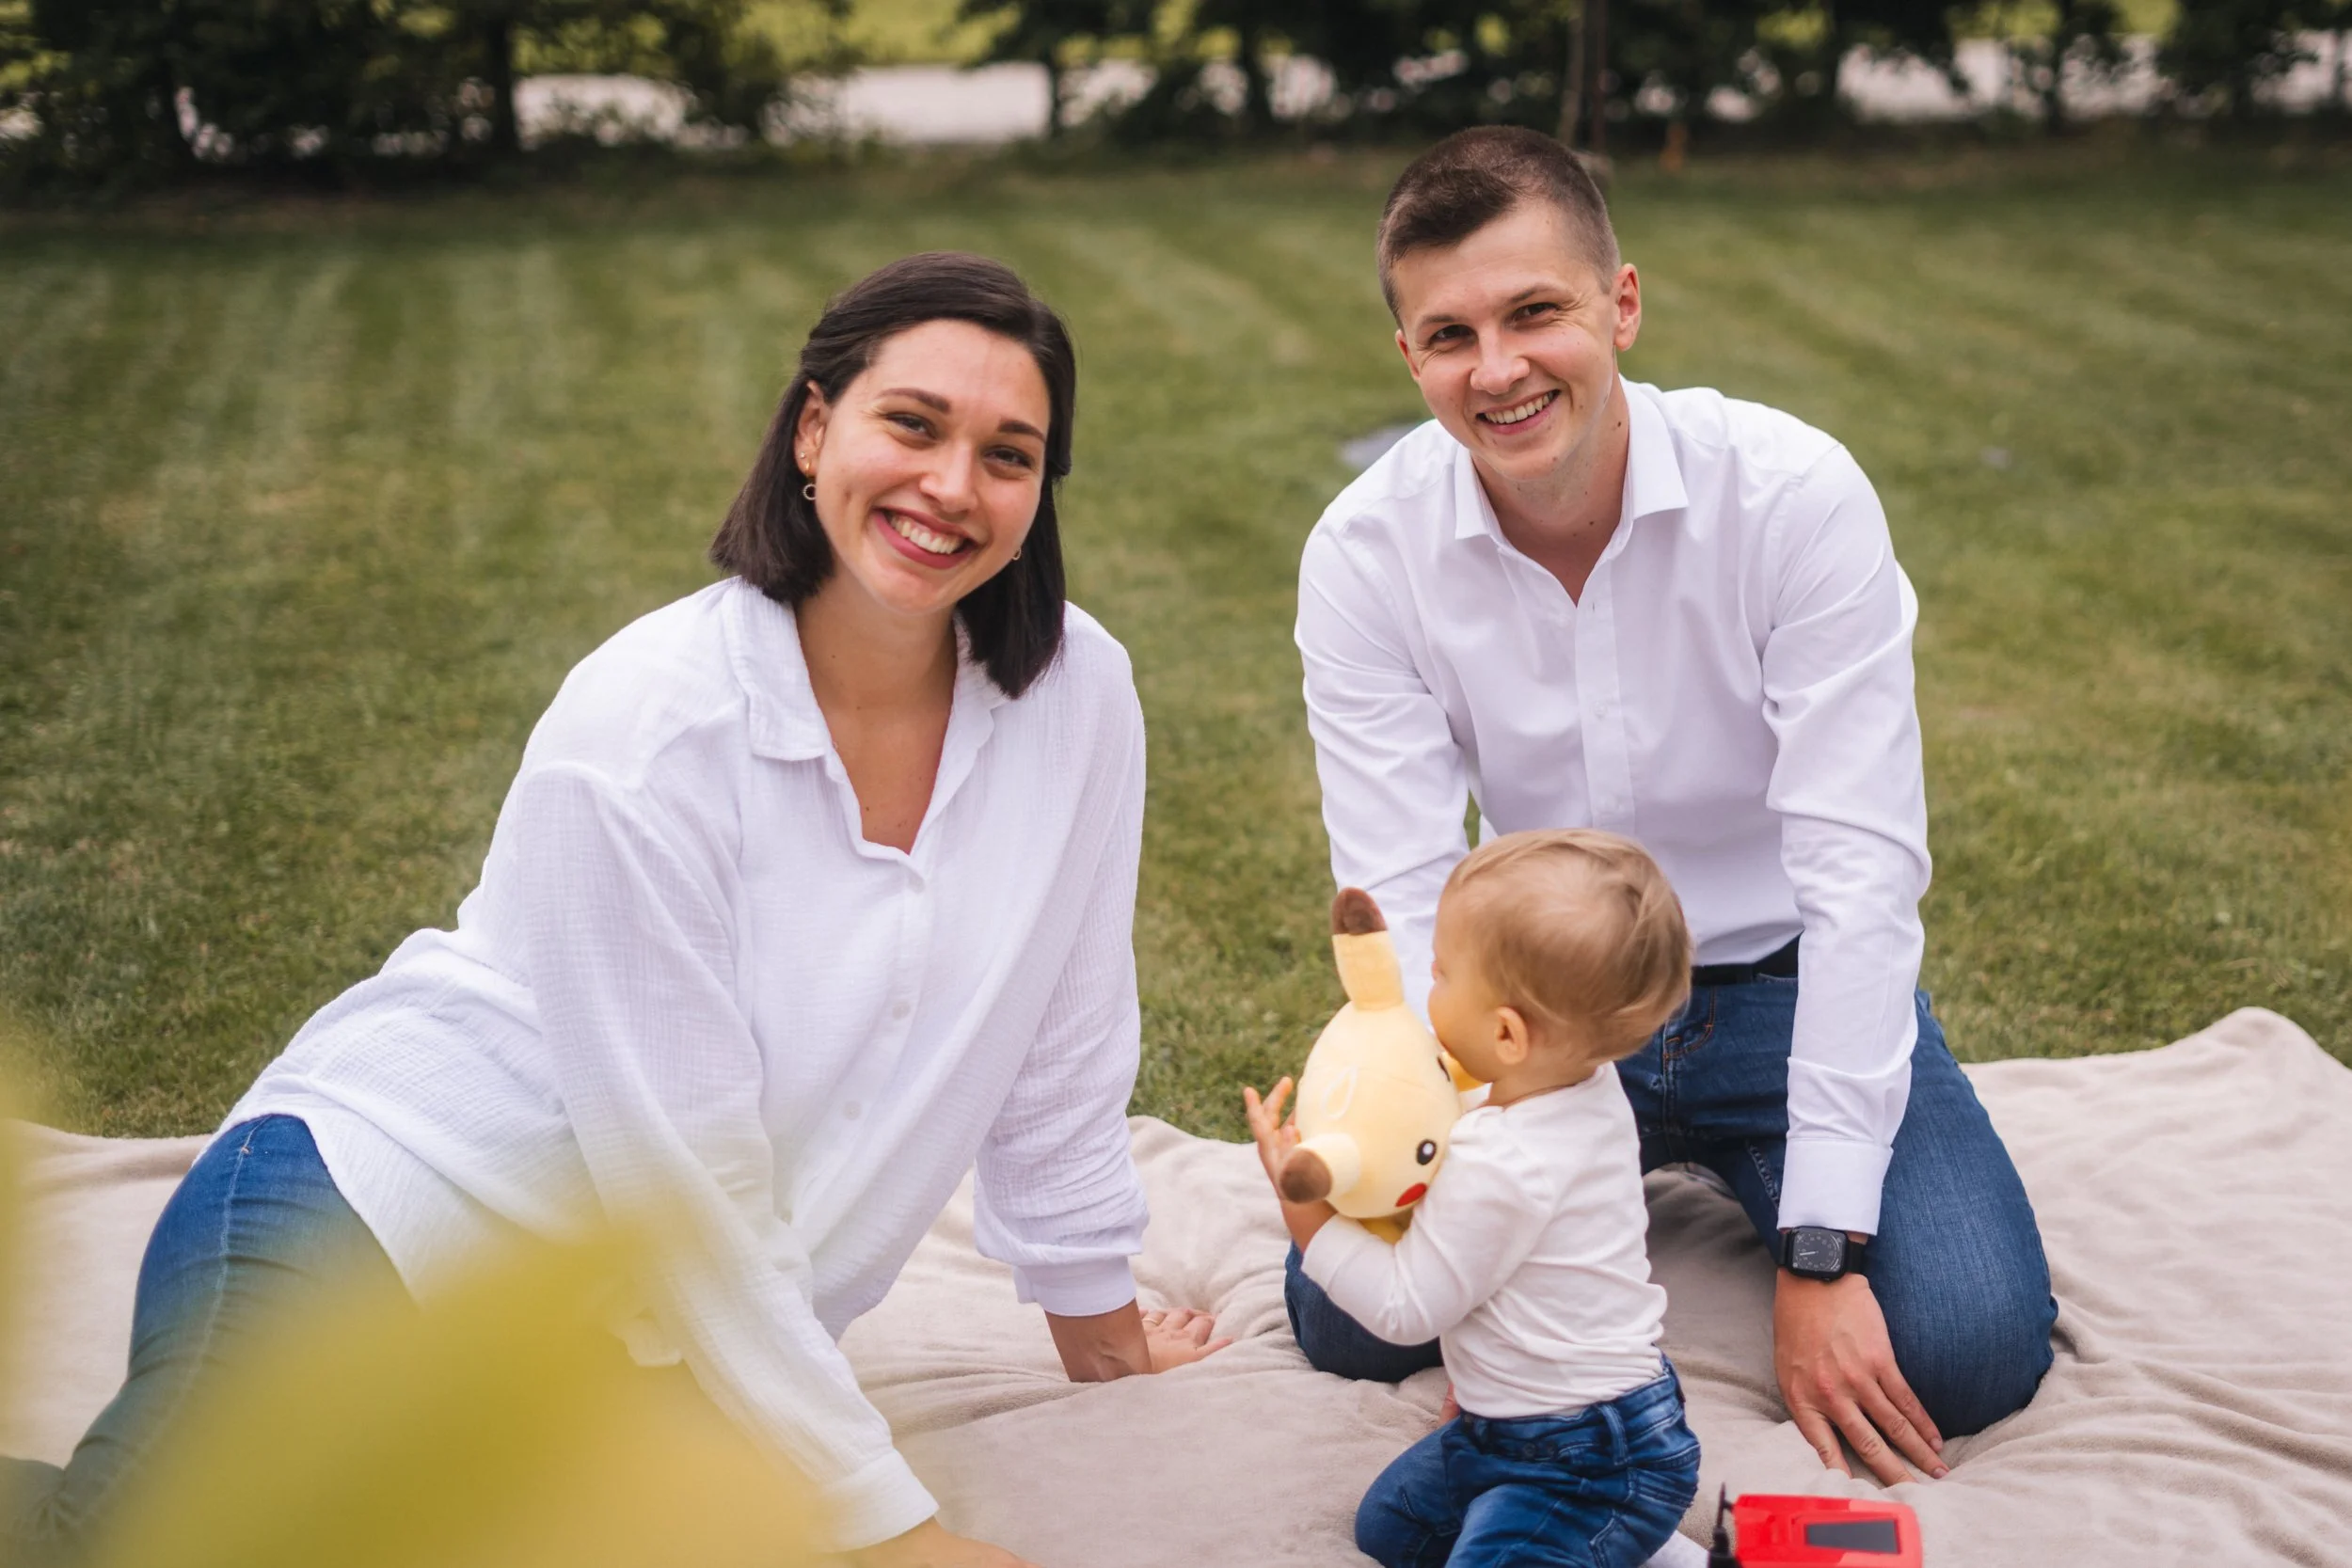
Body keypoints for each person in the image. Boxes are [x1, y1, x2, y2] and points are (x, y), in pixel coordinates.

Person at [2, 252, 1227, 1568]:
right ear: (815, 429)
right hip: (378, 1209)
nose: (951, 486)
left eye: (1009, 452)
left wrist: (1100, 1332)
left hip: (639, 1340)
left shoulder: (1077, 695)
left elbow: (1065, 1034)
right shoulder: (646, 725)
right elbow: (688, 1177)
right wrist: (894, 1532)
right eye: (912, 424)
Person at [1288, 126, 2057, 1486]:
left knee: (1971, 1343)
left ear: (1621, 303)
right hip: (1532, 1012)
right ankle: (1598, 1176)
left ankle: (1774, 1167)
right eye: (1451, 333)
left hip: (1779, 983)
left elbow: (1860, 874)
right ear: (1410, 356)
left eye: (1537, 311)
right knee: (1342, 1321)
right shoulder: (1364, 555)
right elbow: (1403, 892)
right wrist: (1418, 1105)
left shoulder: (1794, 496)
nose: (1501, 367)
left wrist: (1824, 1250)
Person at [1246, 830, 1700, 1568]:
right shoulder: (1587, 1082)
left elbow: (1406, 1307)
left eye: (1442, 972)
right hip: (1509, 1431)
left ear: (1506, 1033)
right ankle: (1622, 1540)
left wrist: (1308, 1217)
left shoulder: (1505, 1159)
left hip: (1590, 1453)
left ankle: (1635, 1533)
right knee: (1391, 1529)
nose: (1429, 986)